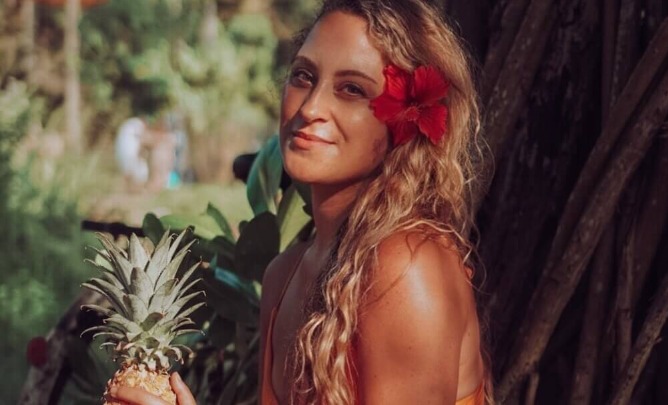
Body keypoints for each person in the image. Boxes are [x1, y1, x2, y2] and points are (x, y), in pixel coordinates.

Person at [108, 0, 492, 404]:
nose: (310, 108)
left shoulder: (406, 269)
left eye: (352, 89)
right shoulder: (283, 276)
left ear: (407, 121)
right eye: (304, 76)